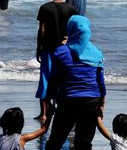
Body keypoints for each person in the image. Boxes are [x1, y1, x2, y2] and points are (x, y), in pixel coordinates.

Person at [45, 15, 105, 150]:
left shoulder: (61, 52)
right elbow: (100, 82)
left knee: (56, 140)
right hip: (91, 101)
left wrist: (49, 101)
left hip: (68, 101)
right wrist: (101, 105)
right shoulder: (96, 53)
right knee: (84, 143)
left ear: (70, 29)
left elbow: (53, 80)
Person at [35, 0, 78, 121]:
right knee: (63, 79)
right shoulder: (71, 9)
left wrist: (38, 48)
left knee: (45, 79)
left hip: (48, 49)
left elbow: (42, 30)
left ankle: (44, 114)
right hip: (65, 50)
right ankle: (62, 110)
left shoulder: (45, 8)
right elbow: (77, 29)